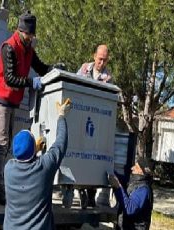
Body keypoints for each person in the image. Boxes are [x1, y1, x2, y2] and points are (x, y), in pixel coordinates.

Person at [0, 10, 63, 205]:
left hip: (13, 101)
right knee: (2, 144)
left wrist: (55, 69)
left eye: (32, 36)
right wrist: (32, 82)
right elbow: (10, 78)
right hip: (2, 100)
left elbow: (40, 67)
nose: (31, 38)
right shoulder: (9, 47)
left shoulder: (28, 48)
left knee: (5, 145)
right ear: (21, 31)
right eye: (29, 35)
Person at [3, 99, 71, 230]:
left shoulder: (9, 169)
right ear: (33, 149)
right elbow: (61, 142)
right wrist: (61, 115)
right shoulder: (44, 166)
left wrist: (34, 150)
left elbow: (21, 158)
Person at [76, 44, 112, 208]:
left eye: (105, 60)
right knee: (79, 155)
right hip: (81, 116)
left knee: (93, 158)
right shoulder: (84, 69)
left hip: (96, 121)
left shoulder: (108, 77)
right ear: (94, 56)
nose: (101, 62)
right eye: (99, 59)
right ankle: (80, 191)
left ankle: (91, 195)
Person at [108, 157, 154, 230]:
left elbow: (130, 209)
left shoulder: (143, 190)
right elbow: (118, 178)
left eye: (136, 167)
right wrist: (108, 169)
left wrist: (118, 187)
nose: (132, 168)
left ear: (141, 171)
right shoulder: (134, 181)